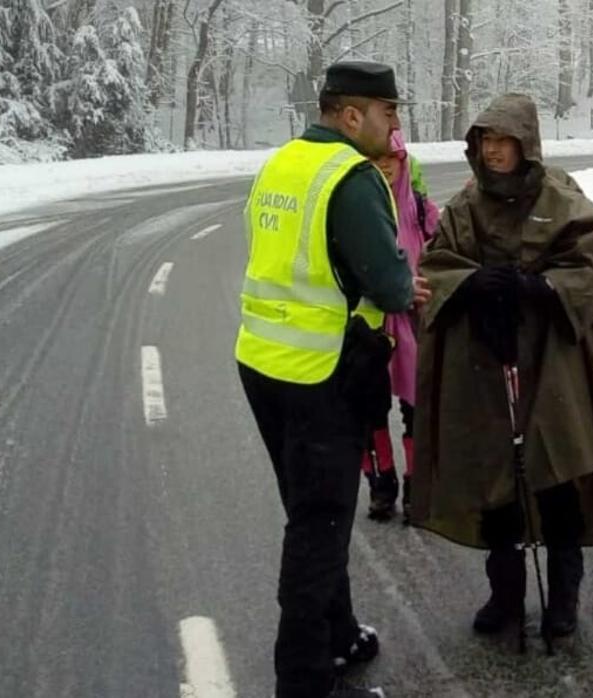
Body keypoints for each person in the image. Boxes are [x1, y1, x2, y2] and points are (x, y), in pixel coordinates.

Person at [235, 61, 429, 698]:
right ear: (352, 115)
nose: (394, 123)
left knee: (312, 510)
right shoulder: (352, 177)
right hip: (320, 371)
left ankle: (340, 633)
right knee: (317, 526)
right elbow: (391, 280)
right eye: (388, 112)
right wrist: (400, 285)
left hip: (262, 361)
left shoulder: (281, 163)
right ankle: (304, 678)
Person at [410, 93, 593, 641]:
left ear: (526, 144)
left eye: (503, 141)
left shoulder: (561, 197)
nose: (493, 152)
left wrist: (538, 288)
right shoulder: (466, 204)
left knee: (557, 478)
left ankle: (563, 600)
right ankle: (505, 597)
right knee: (497, 482)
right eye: (485, 142)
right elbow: (436, 263)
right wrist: (472, 285)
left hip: (554, 363)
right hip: (487, 363)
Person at [362, 128, 440, 523]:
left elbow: (441, 249)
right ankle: (382, 483)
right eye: (376, 161)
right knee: (368, 409)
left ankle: (415, 485)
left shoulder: (419, 206)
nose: (385, 168)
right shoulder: (356, 206)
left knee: (416, 407)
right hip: (371, 325)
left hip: (414, 320)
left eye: (391, 160)